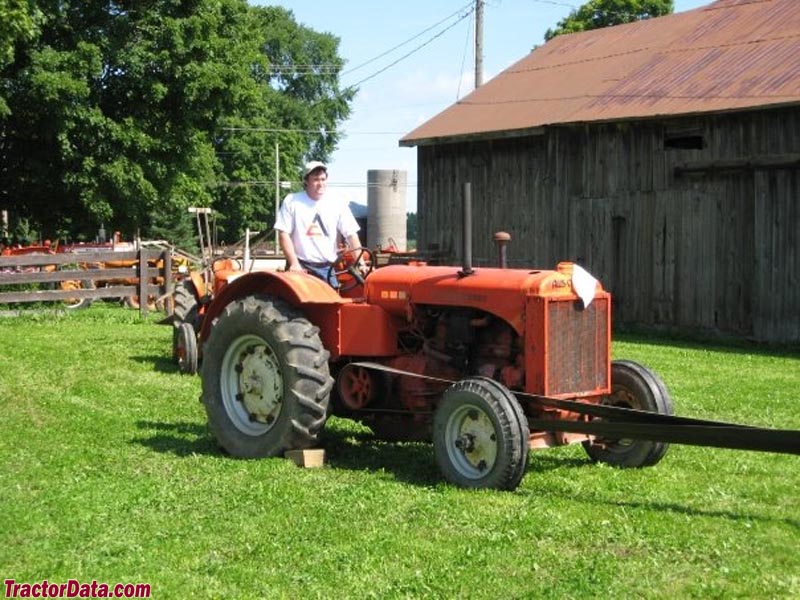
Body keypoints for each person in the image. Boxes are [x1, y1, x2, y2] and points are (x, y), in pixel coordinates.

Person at [274, 161, 364, 288]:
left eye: (323, 179)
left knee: (334, 300)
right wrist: (294, 263)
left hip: (327, 267)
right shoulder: (292, 201)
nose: (320, 183)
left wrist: (360, 263)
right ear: (306, 181)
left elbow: (351, 235)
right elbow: (283, 233)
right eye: (316, 179)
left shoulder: (337, 202)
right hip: (301, 266)